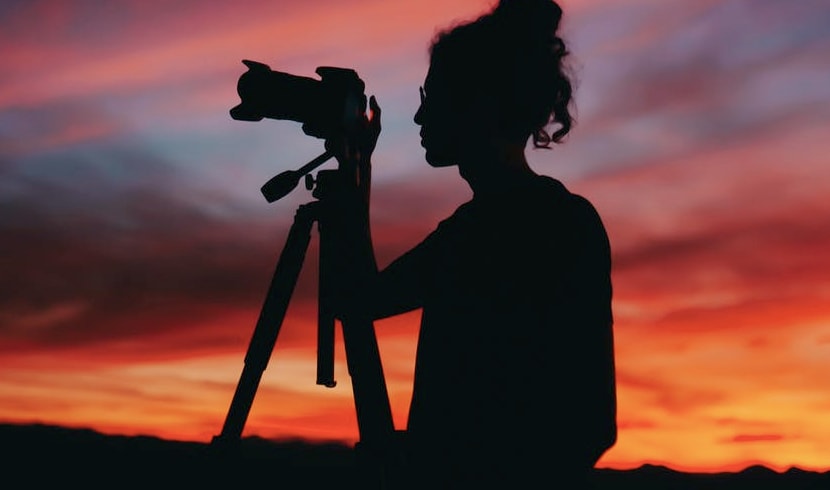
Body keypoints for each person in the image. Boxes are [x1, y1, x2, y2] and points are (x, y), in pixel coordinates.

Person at [329, 0, 616, 487]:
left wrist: (356, 167)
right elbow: (588, 427)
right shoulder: (552, 222)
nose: (419, 115)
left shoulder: (492, 233)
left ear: (479, 103)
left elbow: (357, 300)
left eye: (433, 95)